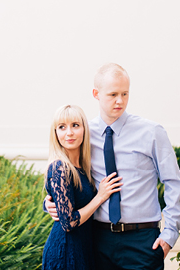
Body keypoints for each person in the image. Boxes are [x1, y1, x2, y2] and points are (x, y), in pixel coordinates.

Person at [46, 63, 180, 270]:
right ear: (96, 94)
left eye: (125, 94)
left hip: (142, 240)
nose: (120, 101)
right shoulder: (84, 134)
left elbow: (174, 183)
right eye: (112, 94)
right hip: (97, 240)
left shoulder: (151, 132)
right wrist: (50, 202)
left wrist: (169, 235)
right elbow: (70, 177)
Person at [43, 104, 123, 270]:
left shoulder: (82, 168)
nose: (69, 133)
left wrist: (47, 205)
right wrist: (100, 197)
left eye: (75, 125)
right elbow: (68, 222)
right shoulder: (60, 167)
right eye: (62, 127)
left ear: (84, 129)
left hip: (83, 247)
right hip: (65, 251)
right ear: (56, 133)